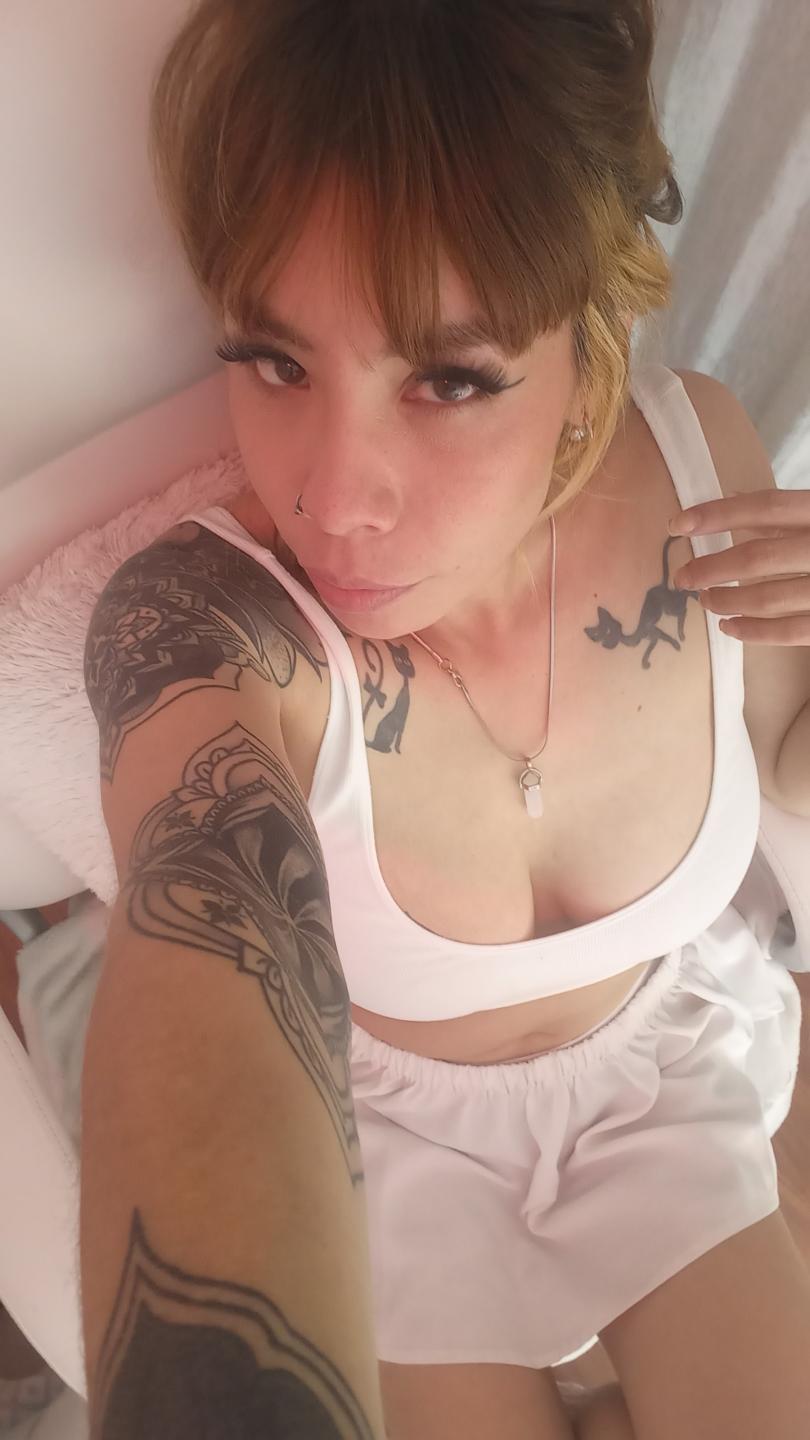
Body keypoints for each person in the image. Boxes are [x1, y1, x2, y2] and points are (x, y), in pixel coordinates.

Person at [80, 2, 810, 1437]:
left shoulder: (700, 461)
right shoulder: (209, 628)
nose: (332, 498)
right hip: (394, 1157)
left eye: (451, 376)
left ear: (590, 331)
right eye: (273, 359)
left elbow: (787, 759)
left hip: (664, 1087)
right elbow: (203, 983)